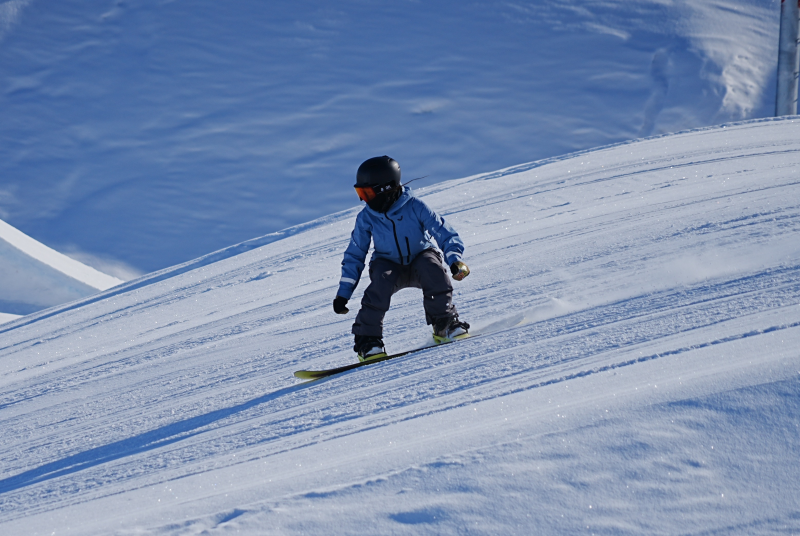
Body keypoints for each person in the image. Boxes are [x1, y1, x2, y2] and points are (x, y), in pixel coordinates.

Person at [333, 156, 471, 361]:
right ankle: (368, 342)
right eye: (360, 194)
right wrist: (343, 294)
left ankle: (445, 323)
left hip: (420, 256)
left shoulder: (415, 206)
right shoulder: (366, 217)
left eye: (367, 193)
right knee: (379, 284)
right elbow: (355, 253)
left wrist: (454, 260)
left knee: (432, 268)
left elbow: (443, 232)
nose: (364, 200)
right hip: (388, 263)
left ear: (385, 189)